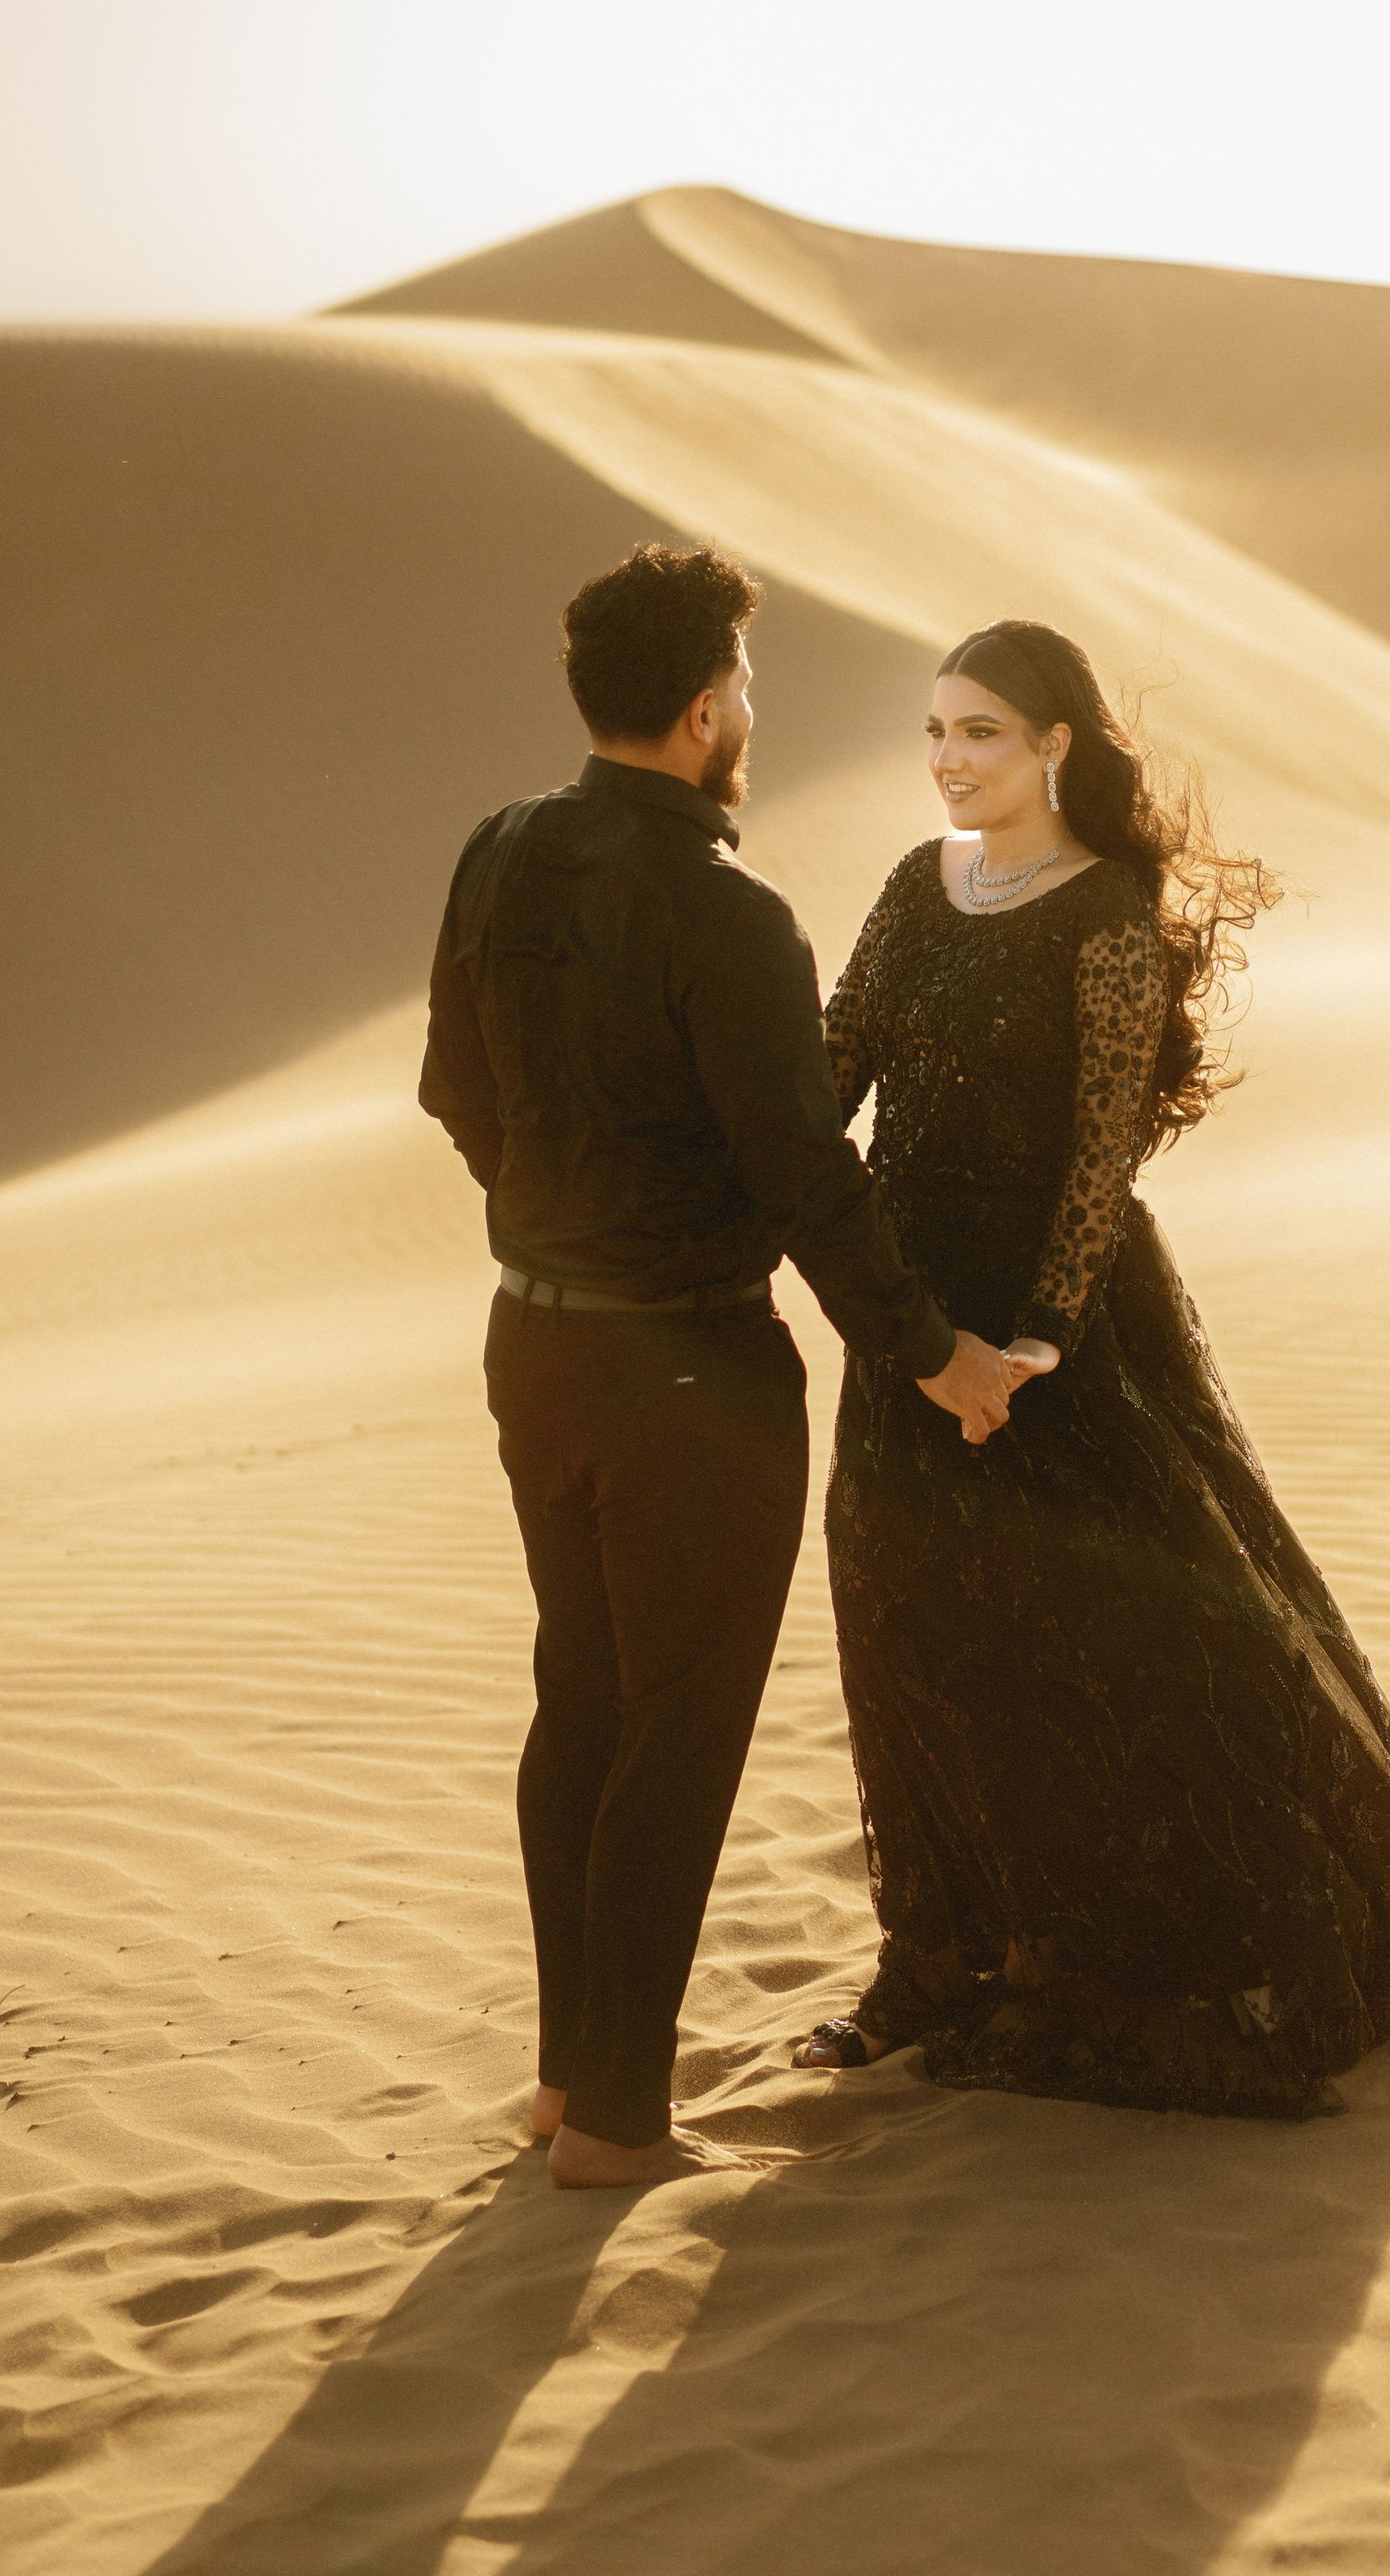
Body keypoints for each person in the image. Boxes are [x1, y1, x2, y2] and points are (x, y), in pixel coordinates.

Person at [794, 619, 1390, 2115]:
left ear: (1056, 744)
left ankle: (1143, 1954)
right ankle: (937, 1959)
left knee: (1119, 1647)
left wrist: (1036, 1344)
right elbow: (832, 1072)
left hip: (1058, 1340)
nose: (949, 761)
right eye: (933, 732)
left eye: (981, 732)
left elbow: (1101, 1151)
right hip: (908, 1322)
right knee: (914, 1628)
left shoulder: (1105, 915)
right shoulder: (907, 889)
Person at [419, 543, 1030, 2188]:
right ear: (703, 712)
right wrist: (938, 1359)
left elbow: (452, 1093)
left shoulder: (497, 854)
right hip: (687, 1372)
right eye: (745, 689)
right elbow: (805, 1186)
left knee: (583, 1700)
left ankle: (567, 2084)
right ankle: (618, 2121)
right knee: (674, 1729)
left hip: (534, 1342)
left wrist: (562, 1213)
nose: (753, 710)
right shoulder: (726, 911)